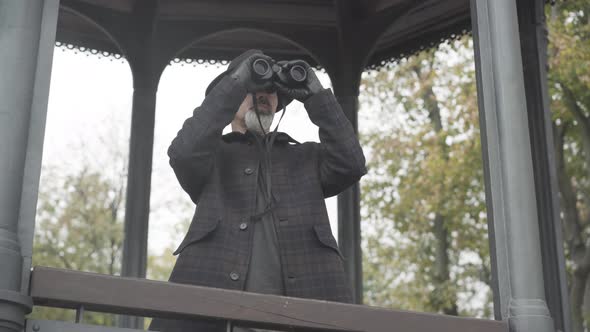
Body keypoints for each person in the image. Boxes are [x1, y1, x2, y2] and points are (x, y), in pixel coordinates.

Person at [149, 49, 366, 331]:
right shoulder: (211, 156)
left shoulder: (307, 158)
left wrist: (316, 95)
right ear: (230, 99)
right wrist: (237, 81)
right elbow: (182, 153)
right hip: (211, 316)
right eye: (253, 88)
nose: (264, 95)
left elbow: (351, 163)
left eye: (272, 92)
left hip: (304, 315)